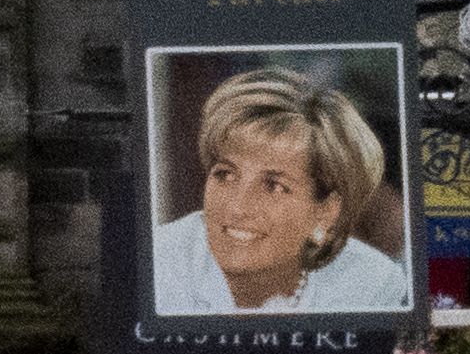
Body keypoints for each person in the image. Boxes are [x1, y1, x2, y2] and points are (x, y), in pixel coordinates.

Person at [151, 66, 408, 315]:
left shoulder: (373, 286)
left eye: (273, 186)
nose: (238, 206)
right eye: (226, 174)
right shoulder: (158, 264)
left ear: (327, 211)